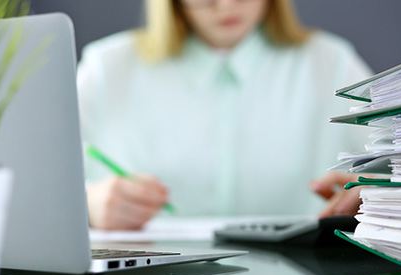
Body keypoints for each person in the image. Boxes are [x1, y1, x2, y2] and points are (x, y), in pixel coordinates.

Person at [77, 0, 372, 230]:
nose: (226, 4)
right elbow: (40, 194)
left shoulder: (332, 63)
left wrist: (377, 192)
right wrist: (86, 206)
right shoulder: (106, 69)